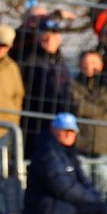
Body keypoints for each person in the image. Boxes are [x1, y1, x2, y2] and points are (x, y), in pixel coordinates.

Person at [19, 15, 74, 157]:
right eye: (45, 33)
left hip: (58, 123)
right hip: (34, 124)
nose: (49, 38)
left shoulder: (62, 64)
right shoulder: (28, 61)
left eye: (54, 34)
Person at [70, 51, 107, 195]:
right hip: (81, 146)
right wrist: (103, 109)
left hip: (104, 148)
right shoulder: (73, 84)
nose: (90, 67)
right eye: (86, 62)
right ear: (80, 64)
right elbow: (79, 107)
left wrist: (90, 104)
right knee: (82, 189)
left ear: (101, 65)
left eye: (94, 62)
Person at [0, 25, 24, 143]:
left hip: (2, 130)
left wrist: (14, 120)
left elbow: (18, 96)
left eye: (5, 46)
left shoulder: (12, 68)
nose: (0, 50)